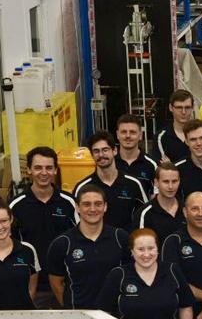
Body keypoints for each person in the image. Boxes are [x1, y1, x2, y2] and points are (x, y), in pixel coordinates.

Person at [97, 228, 194, 319]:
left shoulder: (172, 271)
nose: (146, 254)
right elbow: (104, 313)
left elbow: (186, 308)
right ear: (132, 251)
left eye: (151, 248)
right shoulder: (118, 275)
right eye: (140, 249)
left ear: (158, 249)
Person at [10, 146, 77, 308]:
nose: (44, 173)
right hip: (33, 287)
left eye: (49, 168)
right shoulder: (16, 206)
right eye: (38, 168)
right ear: (29, 170)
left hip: (66, 283)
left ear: (55, 170)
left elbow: (81, 238)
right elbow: (10, 246)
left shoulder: (69, 203)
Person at [45, 185, 130, 309]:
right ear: (77, 208)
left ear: (105, 207)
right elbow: (56, 282)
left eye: (98, 204)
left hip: (115, 315)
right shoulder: (63, 243)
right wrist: (72, 309)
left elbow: (130, 274)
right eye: (86, 204)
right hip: (79, 317)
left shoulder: (120, 237)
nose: (92, 209)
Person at [74, 131, 148, 228]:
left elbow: (145, 215)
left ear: (114, 151)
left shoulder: (134, 184)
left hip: (126, 242)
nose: (101, 155)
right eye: (96, 151)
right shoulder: (82, 187)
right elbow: (76, 220)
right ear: (92, 155)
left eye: (105, 150)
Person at [136, 160, 185, 241]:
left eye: (174, 181)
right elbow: (139, 245)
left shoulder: (187, 210)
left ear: (179, 181)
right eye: (166, 182)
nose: (170, 186)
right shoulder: (144, 214)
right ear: (156, 182)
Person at [158, 90, 202, 162]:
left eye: (187, 107)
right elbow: (162, 169)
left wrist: (172, 166)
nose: (183, 112)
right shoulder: (161, 137)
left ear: (192, 108)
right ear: (171, 107)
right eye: (179, 107)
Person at [114, 114, 158, 197]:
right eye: (124, 132)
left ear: (140, 135)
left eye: (132, 132)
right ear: (117, 135)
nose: (128, 136)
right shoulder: (109, 162)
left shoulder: (153, 165)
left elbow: (156, 197)